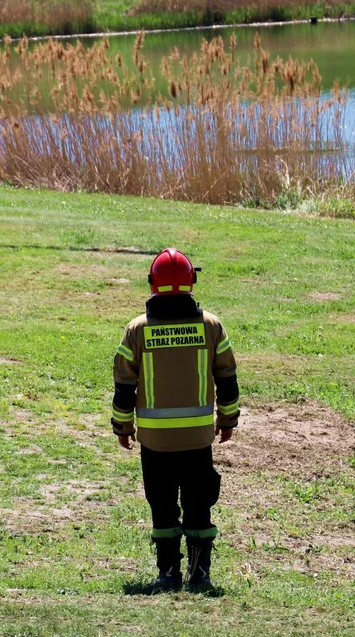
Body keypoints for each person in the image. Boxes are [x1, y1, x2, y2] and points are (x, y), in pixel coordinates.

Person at [111, 248, 240, 592]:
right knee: (199, 506)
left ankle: (168, 574)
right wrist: (228, 420)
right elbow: (227, 378)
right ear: (191, 282)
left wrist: (122, 428)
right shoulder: (211, 326)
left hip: (154, 443)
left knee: (163, 508)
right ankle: (200, 574)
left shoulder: (136, 330)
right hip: (198, 440)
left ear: (152, 283)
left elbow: (124, 386)